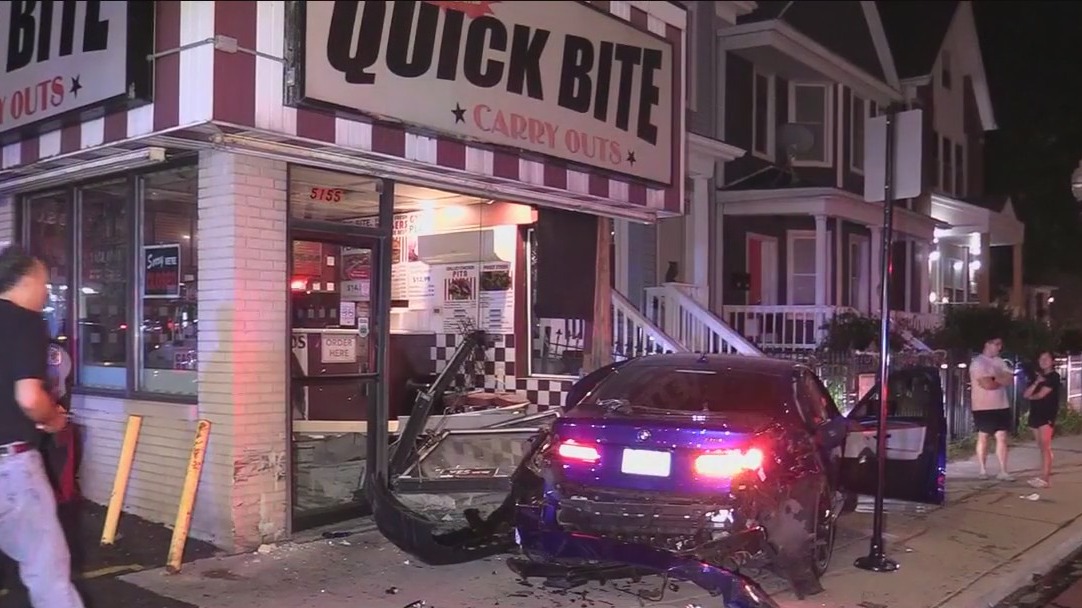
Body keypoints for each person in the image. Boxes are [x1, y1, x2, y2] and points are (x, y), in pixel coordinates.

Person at [0, 246, 85, 608]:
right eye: (45, 283)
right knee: (46, 571)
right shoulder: (23, 321)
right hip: (10, 467)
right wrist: (54, 420)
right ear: (28, 280)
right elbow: (30, 397)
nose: (47, 292)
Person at [969, 336, 1015, 481]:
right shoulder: (978, 363)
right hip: (983, 406)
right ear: (987, 344)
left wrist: (995, 379)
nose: (999, 347)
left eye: (1000, 344)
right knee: (984, 436)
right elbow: (987, 384)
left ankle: (1003, 470)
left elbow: (1009, 379)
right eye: (996, 344)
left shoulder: (1000, 361)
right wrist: (998, 378)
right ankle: (982, 469)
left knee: (1002, 437)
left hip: (1001, 404)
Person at [1023, 351, 1061, 488]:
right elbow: (1025, 394)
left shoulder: (1054, 377)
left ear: (1052, 361)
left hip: (1047, 415)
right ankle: (1042, 475)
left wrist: (1032, 395)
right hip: (1035, 414)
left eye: (1046, 358)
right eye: (1041, 358)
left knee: (1045, 446)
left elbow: (1040, 395)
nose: (1043, 361)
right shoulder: (1037, 377)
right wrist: (1036, 382)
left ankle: (1045, 478)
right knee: (1041, 447)